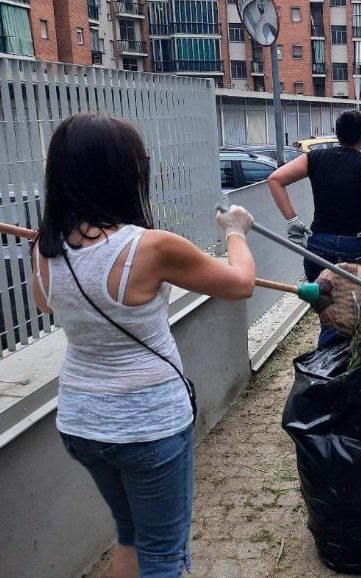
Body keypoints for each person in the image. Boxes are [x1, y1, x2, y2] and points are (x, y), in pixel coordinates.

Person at [31, 112, 257, 578]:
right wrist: (235, 232)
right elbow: (240, 283)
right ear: (122, 173)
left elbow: (49, 305)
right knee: (163, 554)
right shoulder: (150, 248)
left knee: (130, 535)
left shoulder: (43, 249)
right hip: (147, 423)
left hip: (81, 422)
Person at [267, 109, 361, 346]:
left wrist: (292, 220)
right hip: (358, 247)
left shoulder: (314, 158)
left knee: (330, 314)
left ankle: (329, 370)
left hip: (319, 247)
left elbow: (275, 179)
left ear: (336, 133)